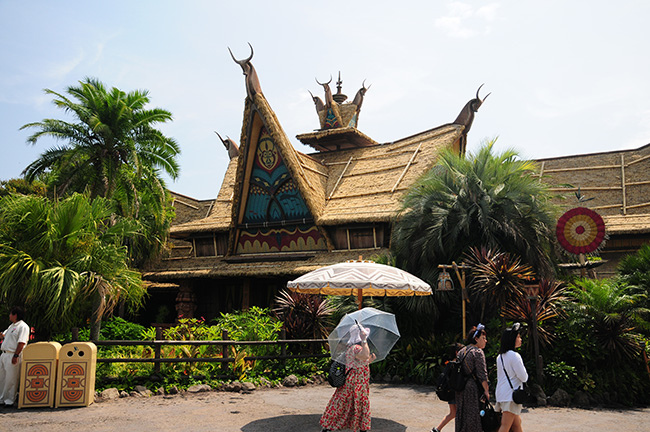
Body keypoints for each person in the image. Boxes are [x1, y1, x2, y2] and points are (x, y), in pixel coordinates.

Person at [320, 324, 376, 432]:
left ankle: (329, 427)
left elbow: (361, 362)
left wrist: (370, 360)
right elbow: (364, 356)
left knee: (345, 405)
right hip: (356, 383)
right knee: (352, 405)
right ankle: (330, 428)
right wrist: (364, 340)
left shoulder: (353, 348)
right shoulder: (356, 348)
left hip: (357, 383)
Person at [455, 324, 489, 432]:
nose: (486, 341)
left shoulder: (462, 351)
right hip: (472, 388)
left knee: (462, 414)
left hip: (460, 387)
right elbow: (482, 375)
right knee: (473, 416)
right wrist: (487, 391)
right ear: (476, 338)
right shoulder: (478, 352)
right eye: (483, 338)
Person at [495, 323, 528, 432]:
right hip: (511, 396)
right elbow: (524, 377)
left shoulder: (500, 357)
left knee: (516, 425)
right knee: (505, 426)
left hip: (502, 394)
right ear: (512, 339)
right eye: (518, 337)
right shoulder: (515, 356)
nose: (520, 339)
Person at [0, 306, 30, 406]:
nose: (9, 316)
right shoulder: (11, 326)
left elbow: (21, 342)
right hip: (4, 354)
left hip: (13, 354)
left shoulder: (23, 326)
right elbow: (4, 336)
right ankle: (2, 398)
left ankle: (9, 400)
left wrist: (16, 355)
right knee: (2, 377)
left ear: (15, 315)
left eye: (11, 314)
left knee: (11, 378)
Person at [432, 342, 464, 432]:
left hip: (449, 391)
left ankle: (437, 429)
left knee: (453, 413)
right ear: (457, 352)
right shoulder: (457, 364)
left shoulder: (449, 363)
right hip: (455, 392)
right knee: (459, 414)